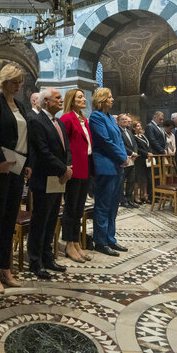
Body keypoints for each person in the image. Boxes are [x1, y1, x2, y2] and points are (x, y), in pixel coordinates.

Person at [0, 63, 31, 292]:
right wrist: (0, 159)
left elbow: (25, 137)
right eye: (14, 81)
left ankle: (5, 266)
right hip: (0, 167)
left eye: (20, 81)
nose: (18, 85)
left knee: (10, 218)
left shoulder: (20, 106)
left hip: (18, 167)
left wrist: (28, 163)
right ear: (4, 82)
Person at [28, 88, 72, 277]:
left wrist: (68, 166)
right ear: (46, 101)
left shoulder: (59, 123)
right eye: (57, 98)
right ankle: (35, 261)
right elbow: (43, 152)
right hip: (43, 178)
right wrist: (64, 169)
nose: (61, 101)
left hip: (58, 179)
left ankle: (47, 257)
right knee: (40, 220)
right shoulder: (37, 122)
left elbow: (66, 148)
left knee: (52, 219)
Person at [89, 88, 128, 256]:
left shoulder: (109, 117)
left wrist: (123, 156)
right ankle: (100, 240)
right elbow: (105, 141)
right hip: (105, 164)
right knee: (103, 205)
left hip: (117, 165)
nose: (112, 99)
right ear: (102, 99)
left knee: (113, 205)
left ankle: (110, 238)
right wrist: (122, 156)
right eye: (110, 97)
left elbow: (118, 139)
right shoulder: (96, 117)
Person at [61, 89, 94, 262]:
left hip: (86, 166)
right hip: (74, 168)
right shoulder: (67, 118)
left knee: (79, 208)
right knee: (71, 207)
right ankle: (68, 243)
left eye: (83, 96)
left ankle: (76, 241)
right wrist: (67, 166)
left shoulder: (84, 119)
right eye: (79, 97)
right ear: (71, 101)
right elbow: (63, 144)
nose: (84, 99)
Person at [118, 114, 139, 208]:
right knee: (122, 180)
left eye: (126, 119)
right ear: (118, 121)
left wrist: (135, 153)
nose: (125, 121)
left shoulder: (129, 131)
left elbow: (134, 143)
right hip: (124, 158)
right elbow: (121, 144)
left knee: (131, 180)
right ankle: (122, 200)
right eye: (122, 119)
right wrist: (131, 153)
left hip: (132, 159)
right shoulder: (118, 131)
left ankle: (129, 199)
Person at [132, 120, 153, 204]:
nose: (139, 127)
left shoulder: (143, 136)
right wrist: (146, 153)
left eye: (140, 125)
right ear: (133, 128)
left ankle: (144, 195)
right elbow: (138, 148)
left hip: (147, 159)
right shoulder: (134, 137)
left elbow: (148, 145)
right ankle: (136, 196)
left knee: (145, 177)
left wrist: (150, 152)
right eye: (137, 126)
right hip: (139, 159)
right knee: (138, 178)